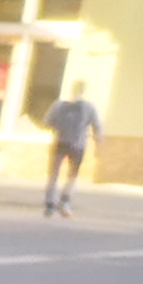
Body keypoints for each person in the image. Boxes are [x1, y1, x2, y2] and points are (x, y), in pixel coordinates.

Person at [45, 80, 101, 216]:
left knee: (54, 174)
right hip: (78, 145)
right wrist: (98, 145)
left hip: (60, 142)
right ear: (84, 91)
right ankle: (64, 200)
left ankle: (50, 203)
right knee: (73, 174)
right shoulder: (89, 107)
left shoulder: (59, 105)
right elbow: (97, 126)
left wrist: (58, 129)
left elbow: (47, 122)